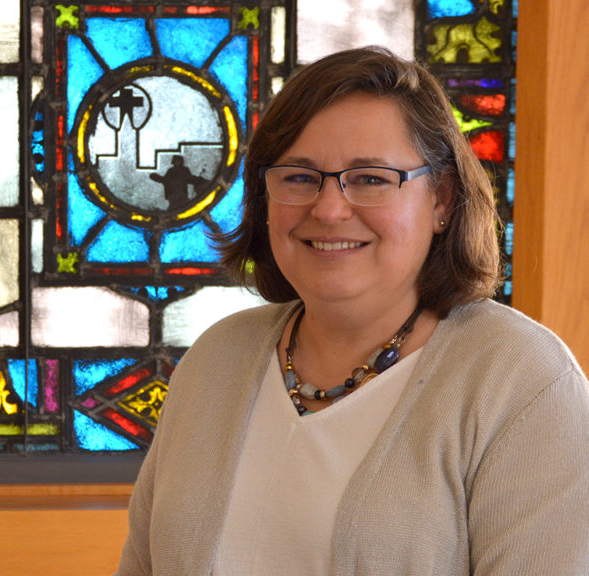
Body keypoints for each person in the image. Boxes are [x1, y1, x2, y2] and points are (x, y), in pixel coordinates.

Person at [115, 46, 589, 575]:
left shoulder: (523, 382)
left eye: (370, 178)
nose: (329, 208)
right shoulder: (215, 359)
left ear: (442, 200)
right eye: (298, 176)